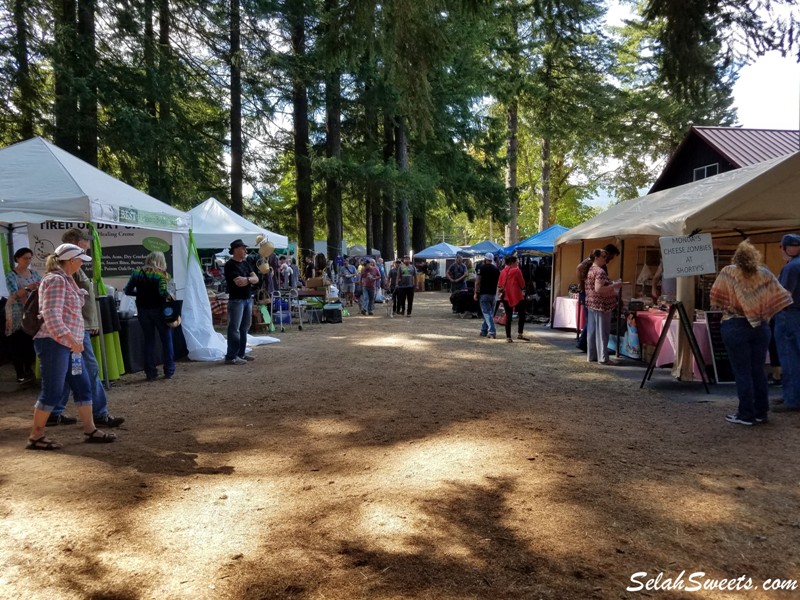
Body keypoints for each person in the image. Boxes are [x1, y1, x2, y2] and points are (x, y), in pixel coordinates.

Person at [25, 244, 117, 449]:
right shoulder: (57, 280)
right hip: (55, 343)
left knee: (83, 386)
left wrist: (73, 341)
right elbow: (51, 315)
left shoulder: (64, 280)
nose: (81, 265)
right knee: (53, 390)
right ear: (72, 261)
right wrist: (72, 340)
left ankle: (90, 429)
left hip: (66, 344)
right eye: (80, 261)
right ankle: (35, 436)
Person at [710, 239, 792, 425]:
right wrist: (763, 310)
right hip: (761, 327)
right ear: (756, 257)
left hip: (735, 324)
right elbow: (783, 297)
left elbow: (715, 297)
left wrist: (734, 304)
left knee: (742, 372)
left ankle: (745, 414)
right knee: (758, 370)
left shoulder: (728, 272)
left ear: (736, 257)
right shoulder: (765, 273)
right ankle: (761, 412)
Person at [51, 228, 124, 427]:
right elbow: (57, 309)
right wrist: (83, 325)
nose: (87, 248)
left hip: (75, 328)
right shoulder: (62, 274)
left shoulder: (70, 270)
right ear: (74, 245)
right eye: (84, 243)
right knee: (89, 369)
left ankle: (53, 411)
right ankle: (99, 414)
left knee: (70, 371)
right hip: (74, 330)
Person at [123, 251, 176, 381]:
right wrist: (170, 296)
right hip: (159, 310)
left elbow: (128, 290)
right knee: (166, 340)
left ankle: (150, 373)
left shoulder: (137, 272)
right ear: (161, 261)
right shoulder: (162, 274)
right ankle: (169, 370)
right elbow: (163, 292)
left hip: (142, 310)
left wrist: (141, 294)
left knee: (149, 341)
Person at [4, 247, 41, 383]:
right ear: (17, 258)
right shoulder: (11, 275)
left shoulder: (35, 273)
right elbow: (14, 294)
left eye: (30, 258)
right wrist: (28, 288)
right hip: (16, 311)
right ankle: (19, 372)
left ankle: (28, 369)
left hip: (31, 311)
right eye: (25, 258)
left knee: (29, 341)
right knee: (17, 342)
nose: (28, 261)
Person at [773, 233, 800, 413]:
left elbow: (784, 296)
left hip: (790, 315)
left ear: (787, 248)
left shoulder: (791, 267)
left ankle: (792, 399)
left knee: (790, 358)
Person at [576, 244, 620, 352]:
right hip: (592, 295)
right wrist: (582, 285)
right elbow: (579, 268)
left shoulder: (600, 266)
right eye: (611, 256)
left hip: (592, 294)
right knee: (592, 321)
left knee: (592, 321)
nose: (610, 259)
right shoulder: (593, 261)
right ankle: (584, 344)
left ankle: (589, 347)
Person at [585, 248, 623, 363]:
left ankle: (592, 355)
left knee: (592, 331)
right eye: (603, 256)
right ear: (596, 257)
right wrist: (615, 285)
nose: (606, 258)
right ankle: (603, 358)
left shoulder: (591, 269)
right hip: (602, 304)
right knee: (602, 332)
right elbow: (599, 289)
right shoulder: (600, 271)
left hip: (592, 303)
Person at [224, 239, 258, 365]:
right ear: (236, 249)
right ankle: (231, 356)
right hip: (236, 300)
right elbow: (238, 282)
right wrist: (250, 279)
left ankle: (241, 353)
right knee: (234, 328)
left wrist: (247, 279)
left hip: (247, 299)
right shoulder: (229, 265)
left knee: (244, 328)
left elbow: (256, 278)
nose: (245, 251)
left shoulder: (246, 263)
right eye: (243, 248)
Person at [497, 254, 529, 343]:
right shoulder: (517, 271)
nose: (517, 264)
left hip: (506, 296)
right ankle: (520, 333)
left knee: (508, 316)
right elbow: (522, 284)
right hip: (517, 296)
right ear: (512, 262)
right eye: (516, 262)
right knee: (522, 314)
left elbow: (499, 284)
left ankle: (508, 337)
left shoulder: (502, 271)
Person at [474, 253, 500, 339]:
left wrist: (476, 292)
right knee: (489, 313)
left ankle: (492, 331)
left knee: (486, 313)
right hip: (493, 294)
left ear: (485, 259)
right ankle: (483, 330)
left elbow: (478, 281)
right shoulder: (496, 269)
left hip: (483, 293)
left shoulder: (481, 268)